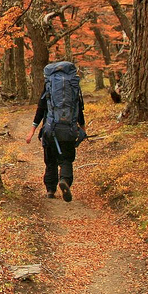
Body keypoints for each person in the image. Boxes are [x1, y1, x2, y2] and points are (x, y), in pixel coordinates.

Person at [25, 62, 86, 202]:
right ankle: (64, 180)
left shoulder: (49, 86)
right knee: (66, 159)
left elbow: (40, 110)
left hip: (50, 130)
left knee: (50, 160)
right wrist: (82, 129)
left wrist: (32, 131)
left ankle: (50, 190)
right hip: (69, 129)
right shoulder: (73, 87)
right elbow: (79, 110)